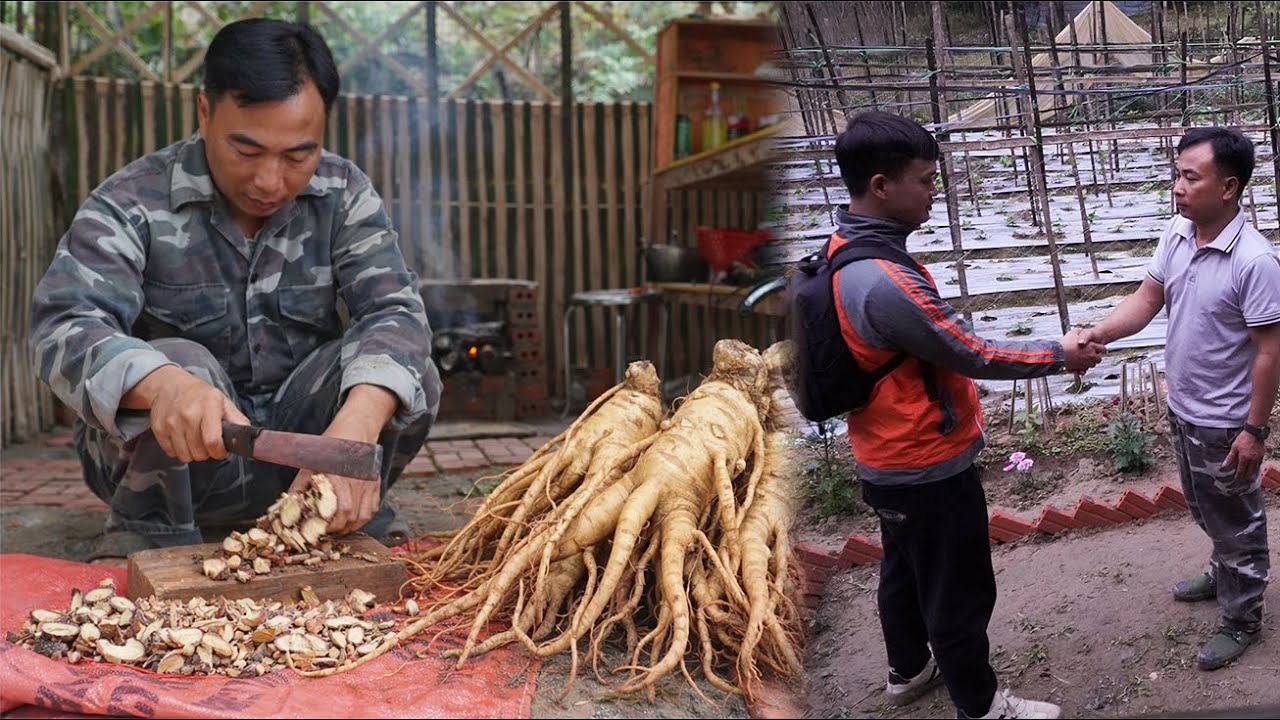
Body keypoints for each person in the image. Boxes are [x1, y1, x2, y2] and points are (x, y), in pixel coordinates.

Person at [28, 18, 442, 562]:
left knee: (400, 372)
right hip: (175, 476)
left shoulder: (343, 194)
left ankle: (332, 509)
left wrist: (354, 433)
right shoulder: (130, 202)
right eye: (247, 151)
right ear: (204, 112)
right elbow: (63, 325)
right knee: (178, 361)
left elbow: (396, 313)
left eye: (298, 155)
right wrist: (163, 384)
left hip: (304, 466)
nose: (271, 181)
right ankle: (147, 530)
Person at [822, 111, 1105, 720]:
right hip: (925, 463)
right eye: (924, 180)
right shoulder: (882, 281)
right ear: (880, 185)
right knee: (957, 589)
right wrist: (1060, 353)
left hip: (885, 456)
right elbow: (970, 350)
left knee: (904, 570)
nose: (933, 192)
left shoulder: (845, 249)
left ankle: (908, 671)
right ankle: (981, 707)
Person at [1079, 126, 1280, 671]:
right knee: (1203, 504)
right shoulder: (1177, 232)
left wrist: (1254, 431)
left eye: (1190, 177)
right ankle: (1223, 573)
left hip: (1227, 422)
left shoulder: (1255, 262)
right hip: (1185, 405)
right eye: (1176, 174)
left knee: (1237, 519)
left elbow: (1269, 353)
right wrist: (1098, 333)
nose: (1177, 187)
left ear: (1229, 187)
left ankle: (1242, 619)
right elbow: (1147, 298)